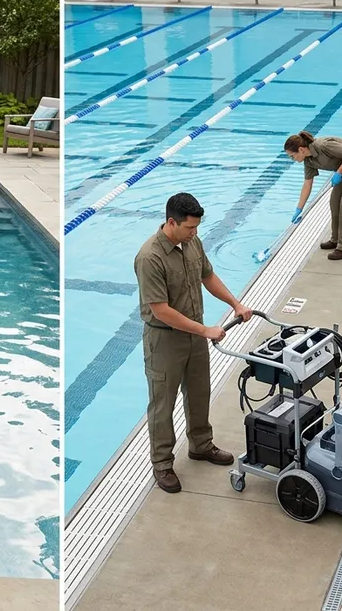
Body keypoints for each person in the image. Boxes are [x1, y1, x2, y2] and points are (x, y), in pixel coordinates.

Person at [134, 192, 252, 494]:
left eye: (197, 227)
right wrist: (204, 330)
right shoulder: (150, 257)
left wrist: (236, 304)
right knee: (163, 404)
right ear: (171, 222)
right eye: (189, 227)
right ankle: (162, 463)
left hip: (195, 335)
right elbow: (161, 310)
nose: (195, 233)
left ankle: (201, 445)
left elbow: (207, 276)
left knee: (199, 392)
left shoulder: (191, 243)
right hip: (164, 340)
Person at [285, 130, 342, 261]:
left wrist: (339, 173)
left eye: (292, 156)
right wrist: (299, 209)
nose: (292, 159)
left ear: (301, 150)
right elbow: (307, 185)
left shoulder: (323, 145)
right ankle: (335, 239)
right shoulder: (308, 161)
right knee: (334, 203)